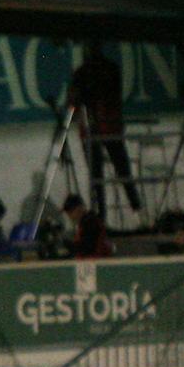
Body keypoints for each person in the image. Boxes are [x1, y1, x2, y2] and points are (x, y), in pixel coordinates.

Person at [66, 42, 141, 216]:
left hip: (104, 127)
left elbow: (76, 101)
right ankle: (123, 210)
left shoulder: (86, 73)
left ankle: (109, 213)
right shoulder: (106, 69)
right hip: (103, 127)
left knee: (109, 173)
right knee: (112, 173)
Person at [62, 194, 110, 259]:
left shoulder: (90, 223)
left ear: (79, 209)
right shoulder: (86, 223)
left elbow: (86, 248)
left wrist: (68, 245)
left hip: (94, 264)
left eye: (71, 212)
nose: (69, 217)